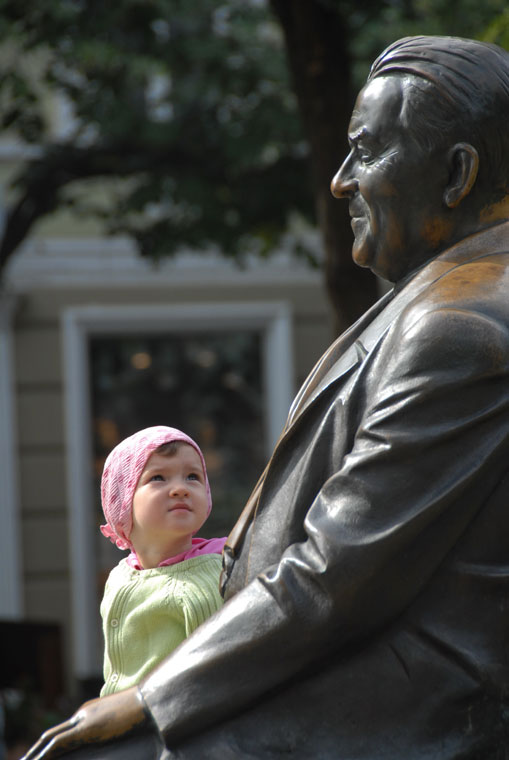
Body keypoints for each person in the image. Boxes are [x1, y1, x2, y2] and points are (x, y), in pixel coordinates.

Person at [23, 35, 509, 759]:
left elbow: (339, 574)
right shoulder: (437, 295)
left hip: (399, 701)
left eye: (366, 152)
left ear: (455, 174)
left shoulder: (459, 325)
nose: (341, 181)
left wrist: (151, 697)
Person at [99, 425, 226, 695]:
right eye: (158, 478)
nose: (180, 488)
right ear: (123, 500)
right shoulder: (119, 577)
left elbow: (216, 676)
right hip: (123, 725)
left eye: (193, 476)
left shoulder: (216, 571)